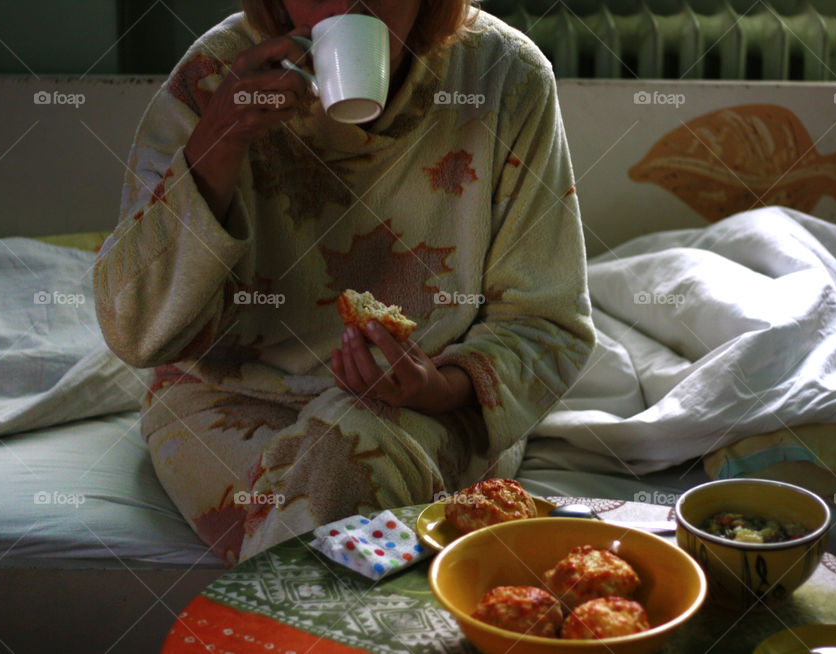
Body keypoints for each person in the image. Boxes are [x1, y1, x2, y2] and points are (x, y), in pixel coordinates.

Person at [93, 0, 596, 566]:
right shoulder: (217, 75)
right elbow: (133, 330)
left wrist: (438, 386)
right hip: (228, 394)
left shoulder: (504, 75)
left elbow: (546, 319)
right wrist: (216, 143)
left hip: (434, 409)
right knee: (334, 478)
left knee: (348, 452)